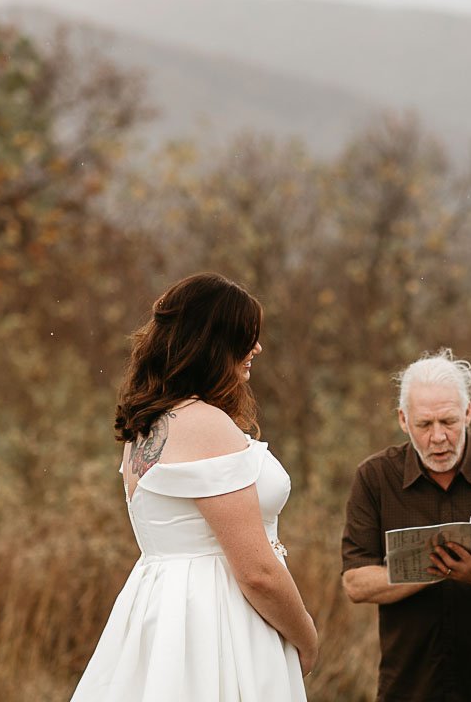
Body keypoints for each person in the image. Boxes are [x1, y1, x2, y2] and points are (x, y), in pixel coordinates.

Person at [72, 272, 316, 702]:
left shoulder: (146, 426)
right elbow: (257, 572)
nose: (257, 347)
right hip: (216, 623)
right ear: (213, 342)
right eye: (247, 336)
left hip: (161, 617)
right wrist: (306, 638)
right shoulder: (206, 425)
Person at [341, 348, 471, 702]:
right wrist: (435, 567)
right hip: (408, 685)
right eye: (424, 425)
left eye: (449, 422)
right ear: (403, 420)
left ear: (468, 413)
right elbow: (356, 583)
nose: (438, 437)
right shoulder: (374, 477)